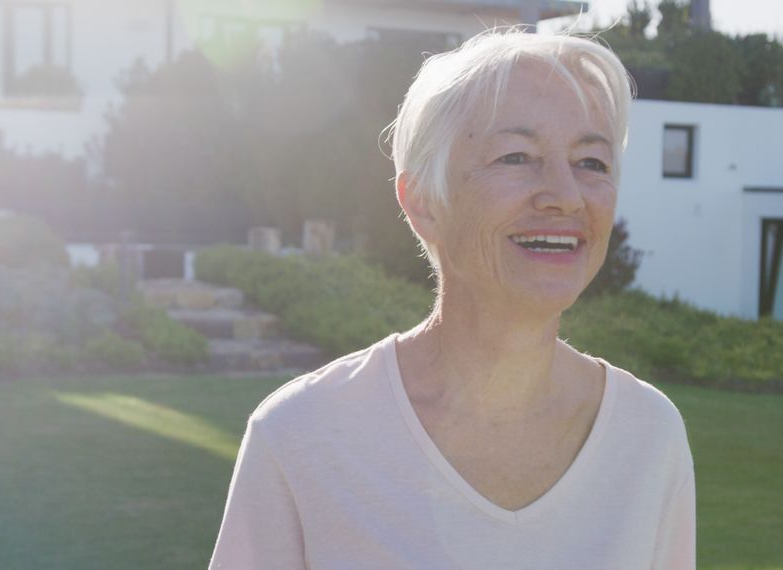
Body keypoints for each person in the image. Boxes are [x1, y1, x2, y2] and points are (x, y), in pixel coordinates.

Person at [209, 28, 695, 570]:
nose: (565, 195)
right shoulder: (300, 437)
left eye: (592, 163)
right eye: (517, 156)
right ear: (423, 203)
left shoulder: (650, 437)